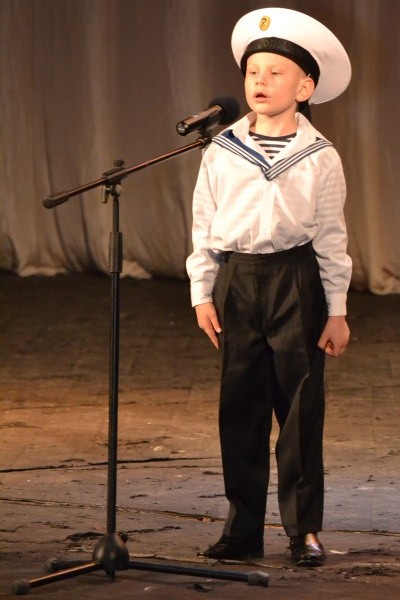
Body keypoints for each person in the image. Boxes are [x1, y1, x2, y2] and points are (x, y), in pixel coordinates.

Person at [186, 7, 352, 566]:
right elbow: (204, 226)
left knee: (300, 409)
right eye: (253, 71)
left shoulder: (320, 156)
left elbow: (331, 236)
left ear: (305, 88)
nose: (260, 81)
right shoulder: (221, 149)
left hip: (295, 280)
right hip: (239, 279)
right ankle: (242, 530)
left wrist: (336, 309)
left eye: (276, 72)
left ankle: (303, 530)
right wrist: (202, 291)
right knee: (240, 408)